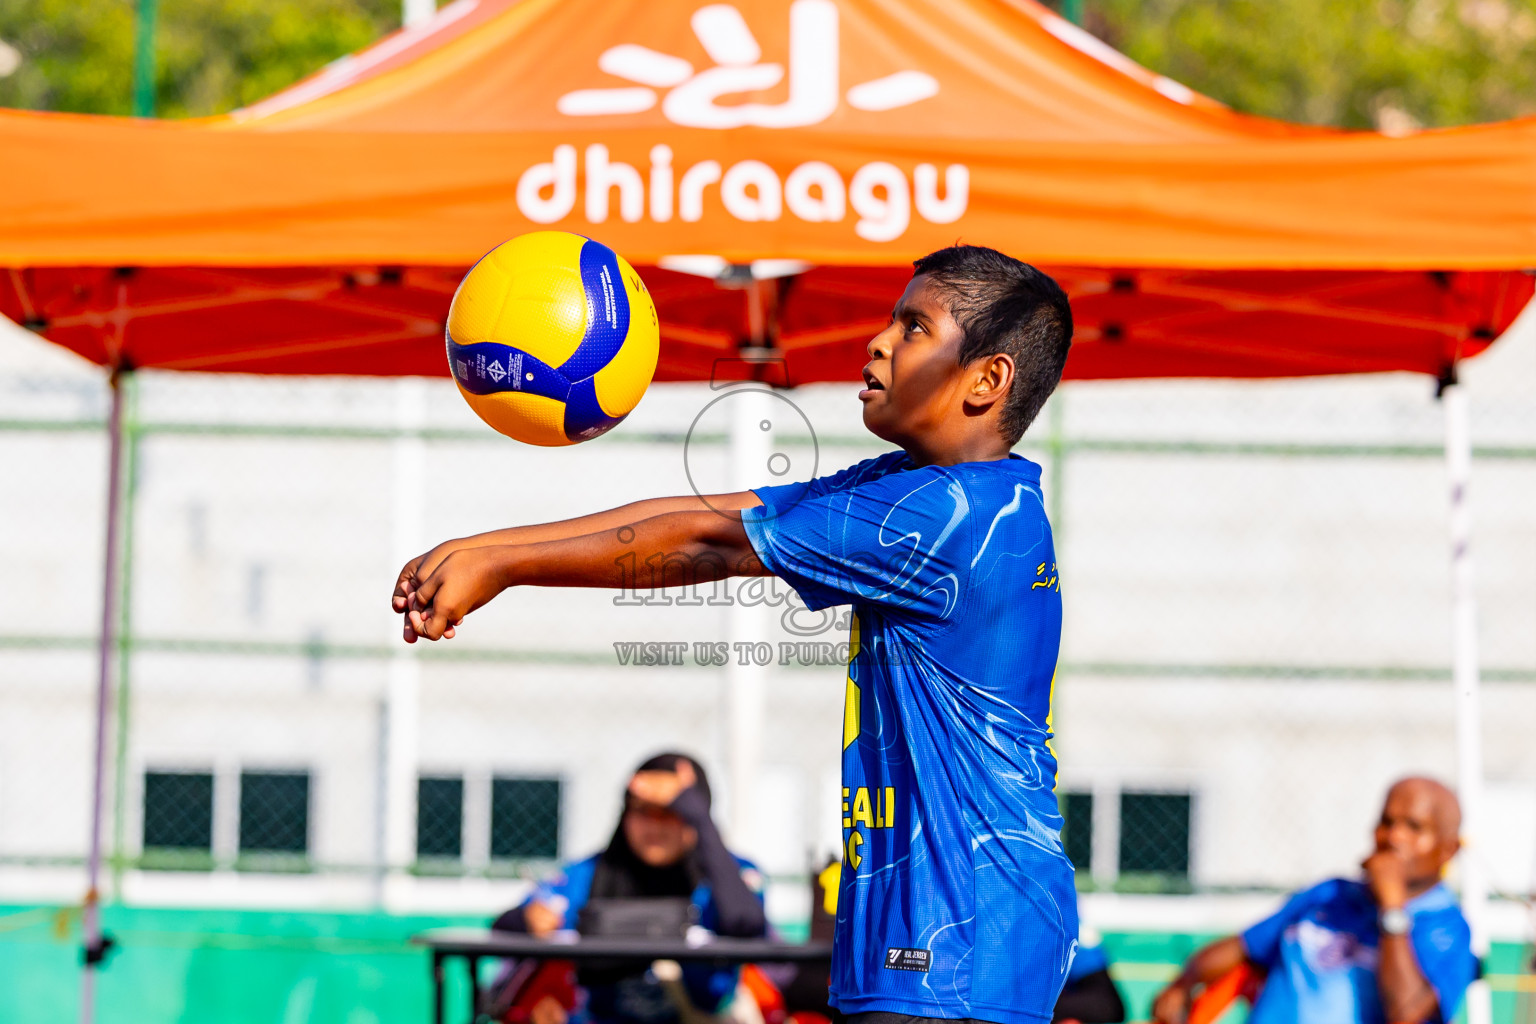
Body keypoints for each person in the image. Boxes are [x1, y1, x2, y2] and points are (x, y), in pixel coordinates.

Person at [393, 244, 1078, 1024]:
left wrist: (508, 565)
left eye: (914, 327)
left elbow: (712, 544)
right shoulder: (935, 493)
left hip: (953, 941)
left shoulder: (942, 518)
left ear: (988, 380)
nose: (879, 341)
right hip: (955, 928)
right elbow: (713, 511)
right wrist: (494, 550)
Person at [1150, 777, 1476, 1024]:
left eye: (1414, 827)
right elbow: (1244, 947)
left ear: (1447, 849)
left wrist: (1391, 910)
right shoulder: (1330, 894)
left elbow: (1409, 1015)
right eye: (1386, 822)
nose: (1394, 837)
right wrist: (1182, 983)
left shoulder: (1447, 928)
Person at [490, 753, 767, 1024]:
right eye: (643, 811)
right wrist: (529, 920)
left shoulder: (727, 875)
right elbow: (504, 926)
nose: (654, 826)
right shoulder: (591, 873)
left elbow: (746, 923)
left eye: (670, 812)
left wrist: (700, 821)